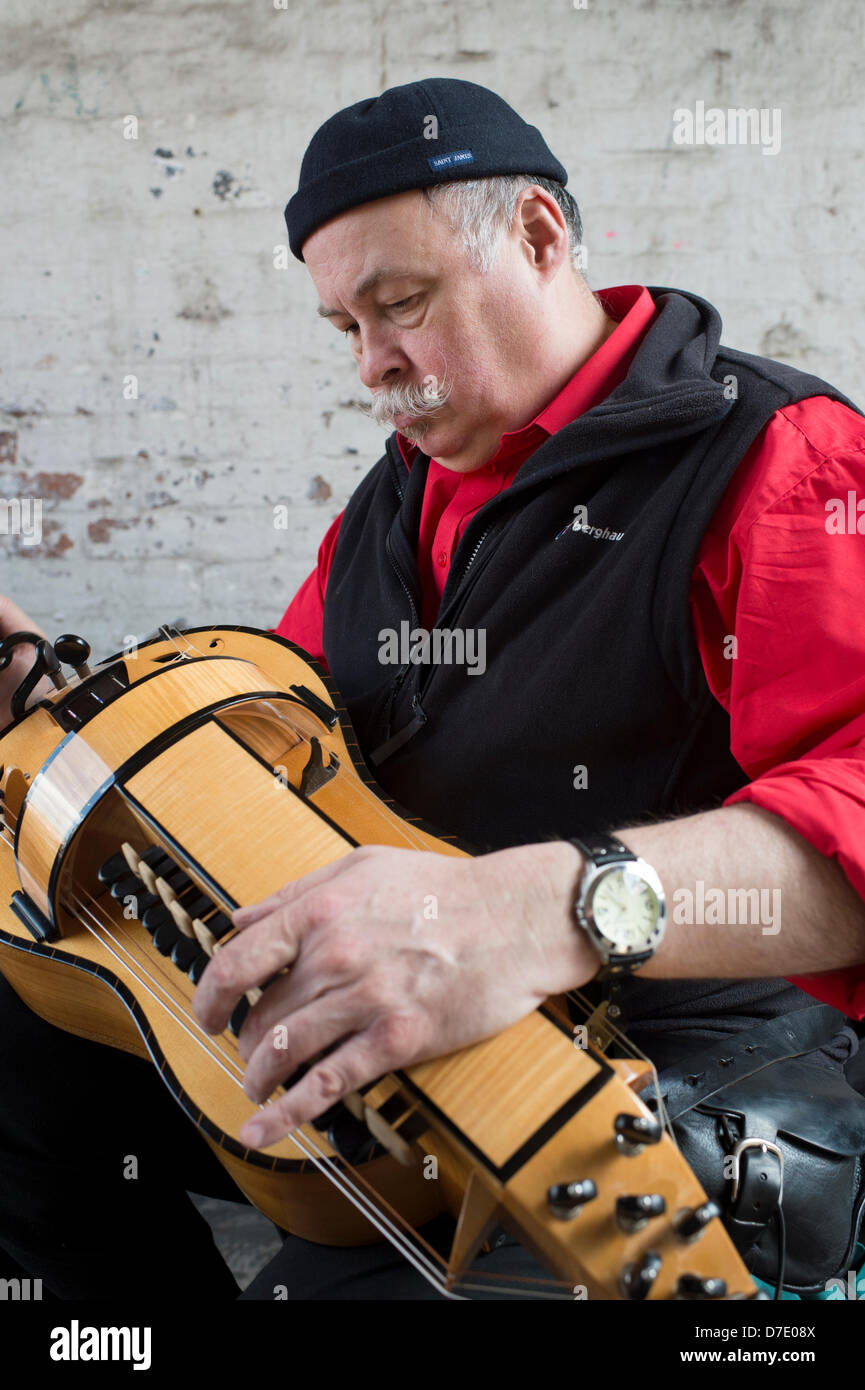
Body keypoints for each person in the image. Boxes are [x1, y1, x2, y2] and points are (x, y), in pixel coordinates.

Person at [2, 75, 865, 1301]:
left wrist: (533, 910)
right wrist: (50, 708)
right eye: (343, 327)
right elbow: (280, 765)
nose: (372, 367)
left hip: (682, 1068)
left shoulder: (782, 457)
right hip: (390, 1030)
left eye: (398, 305)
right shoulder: (391, 504)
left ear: (537, 236)